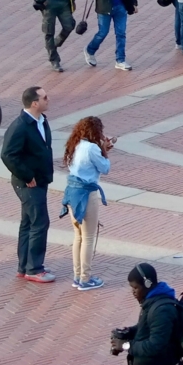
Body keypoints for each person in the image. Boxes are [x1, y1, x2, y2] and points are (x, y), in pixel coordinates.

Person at [0, 84, 56, 283]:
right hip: (28, 184)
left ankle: (24, 266)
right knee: (40, 222)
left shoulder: (41, 121)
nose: (48, 100)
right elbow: (7, 155)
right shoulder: (20, 126)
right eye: (45, 97)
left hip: (40, 180)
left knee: (28, 223)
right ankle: (34, 268)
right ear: (34, 103)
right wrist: (27, 176)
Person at [62, 114, 113, 289]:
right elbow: (105, 168)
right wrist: (104, 149)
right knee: (89, 237)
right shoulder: (92, 148)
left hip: (72, 192)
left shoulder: (75, 144)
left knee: (78, 236)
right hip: (86, 193)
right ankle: (85, 278)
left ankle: (77, 276)